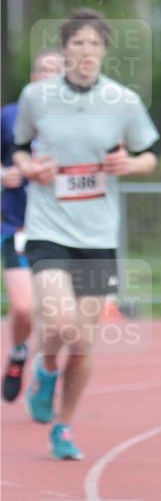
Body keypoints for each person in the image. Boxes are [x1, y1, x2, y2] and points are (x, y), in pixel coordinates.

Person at [13, 8, 159, 460]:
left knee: (84, 339)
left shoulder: (123, 101)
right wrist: (29, 169)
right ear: (65, 49)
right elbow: (19, 149)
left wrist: (128, 165)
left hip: (97, 236)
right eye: (78, 43)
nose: (86, 52)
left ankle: (64, 425)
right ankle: (46, 370)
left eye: (94, 44)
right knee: (59, 322)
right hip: (48, 228)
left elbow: (148, 155)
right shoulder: (37, 97)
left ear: (104, 51)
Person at [2, 50, 64, 401]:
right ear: (31, 76)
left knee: (57, 318)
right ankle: (19, 353)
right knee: (24, 309)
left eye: (55, 71)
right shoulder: (9, 117)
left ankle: (46, 372)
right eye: (42, 70)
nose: (47, 76)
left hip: (61, 231)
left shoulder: (76, 121)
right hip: (19, 227)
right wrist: (3, 174)